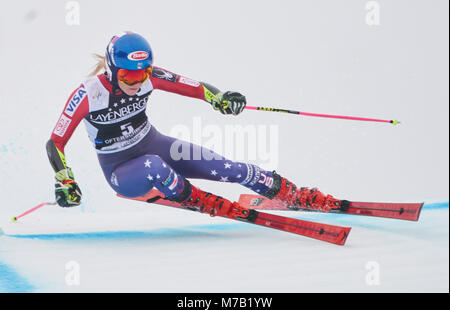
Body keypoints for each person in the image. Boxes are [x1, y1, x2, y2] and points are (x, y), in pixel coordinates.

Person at [46, 31, 342, 219]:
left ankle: (292, 194)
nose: (137, 83)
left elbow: (199, 88)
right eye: (128, 76)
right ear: (111, 70)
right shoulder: (89, 94)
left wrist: (222, 98)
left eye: (143, 74)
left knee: (229, 168)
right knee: (153, 166)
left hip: (152, 142)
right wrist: (66, 180)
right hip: (121, 169)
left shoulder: (151, 77)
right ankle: (205, 202)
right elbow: (55, 143)